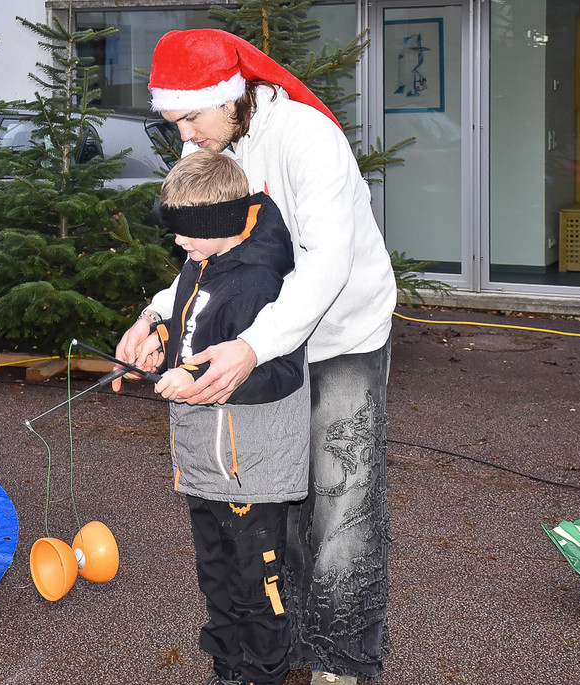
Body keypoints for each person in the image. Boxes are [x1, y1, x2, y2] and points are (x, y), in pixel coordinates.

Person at [115, 29, 397, 685]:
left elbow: (326, 264)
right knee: (274, 498)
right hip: (263, 340)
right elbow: (203, 259)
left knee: (341, 498)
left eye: (190, 116)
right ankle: (286, 643)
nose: (185, 134)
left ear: (230, 94)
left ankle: (343, 662)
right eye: (173, 120)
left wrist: (253, 346)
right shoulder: (211, 145)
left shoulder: (306, 139)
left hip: (339, 338)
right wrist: (158, 316)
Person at [150, 150, 308, 685]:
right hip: (206, 462)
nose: (178, 243)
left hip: (251, 468)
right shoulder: (203, 262)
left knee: (255, 583)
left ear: (220, 224)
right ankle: (227, 666)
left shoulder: (260, 283)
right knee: (215, 575)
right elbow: (192, 327)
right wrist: (159, 335)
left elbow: (280, 373)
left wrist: (198, 383)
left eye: (188, 233)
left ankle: (264, 672)